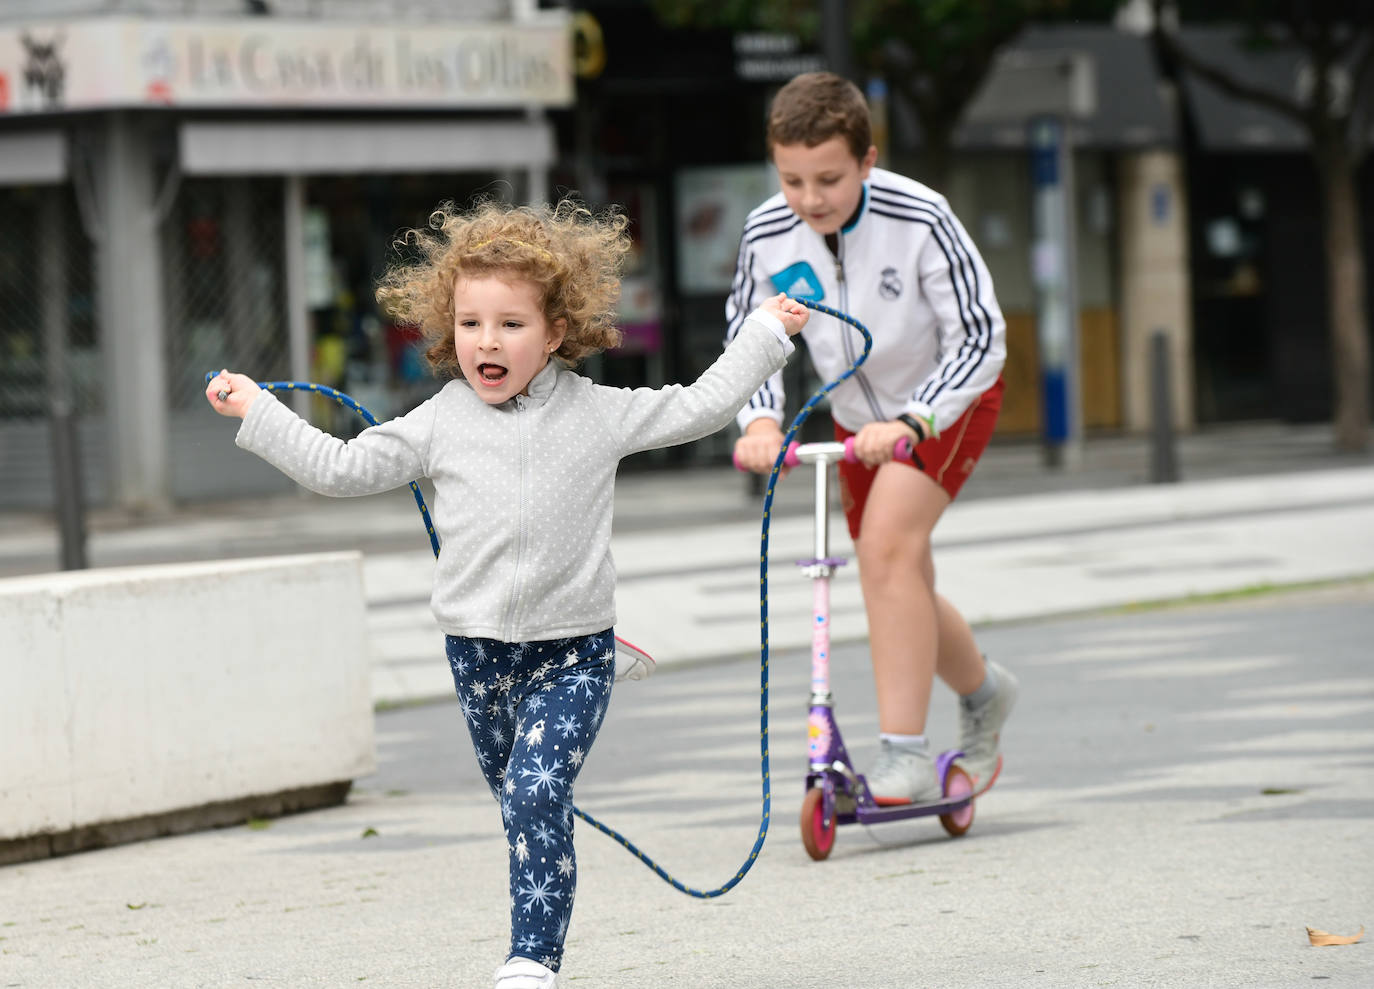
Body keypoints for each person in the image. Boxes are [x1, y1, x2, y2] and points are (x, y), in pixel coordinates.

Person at [206, 198, 808, 989]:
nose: (486, 341)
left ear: (554, 332)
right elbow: (340, 468)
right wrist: (259, 409)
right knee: (521, 806)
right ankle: (537, 936)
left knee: (534, 790)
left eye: (510, 325)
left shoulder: (599, 413)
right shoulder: (437, 421)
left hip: (574, 648)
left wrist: (766, 332)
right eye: (470, 323)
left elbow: (700, 405)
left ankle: (532, 959)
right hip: (477, 651)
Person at [728, 71, 1018, 806]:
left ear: (867, 160)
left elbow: (981, 334)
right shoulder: (767, 232)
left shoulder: (920, 215)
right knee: (899, 573)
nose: (810, 198)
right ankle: (985, 692)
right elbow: (750, 336)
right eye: (791, 179)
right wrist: (759, 418)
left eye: (829, 177)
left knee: (886, 548)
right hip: (858, 423)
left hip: (945, 402)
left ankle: (905, 754)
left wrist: (917, 417)